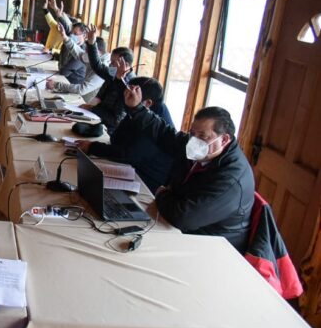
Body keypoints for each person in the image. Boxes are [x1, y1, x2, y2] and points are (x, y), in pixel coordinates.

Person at [123, 86, 255, 252]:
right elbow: (165, 135)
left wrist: (162, 194)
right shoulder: (201, 149)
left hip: (209, 246)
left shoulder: (232, 179)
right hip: (179, 226)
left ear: (224, 139)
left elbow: (184, 218)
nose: (194, 141)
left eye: (202, 136)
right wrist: (137, 108)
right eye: (192, 134)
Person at [76, 77, 176, 193]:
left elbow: (126, 154)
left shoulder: (155, 123)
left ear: (147, 103)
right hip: (130, 171)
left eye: (131, 96)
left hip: (147, 186)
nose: (126, 99)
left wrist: (92, 147)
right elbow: (115, 139)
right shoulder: (137, 112)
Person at [81, 24, 135, 132]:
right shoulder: (114, 73)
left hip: (110, 131)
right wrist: (92, 43)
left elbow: (116, 120)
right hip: (97, 119)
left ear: (126, 65)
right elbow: (97, 66)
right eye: (111, 62)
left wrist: (92, 109)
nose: (110, 65)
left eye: (113, 63)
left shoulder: (130, 87)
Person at [47, 36, 107, 102]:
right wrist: (65, 38)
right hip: (83, 96)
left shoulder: (103, 68)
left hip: (89, 101)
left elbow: (82, 90)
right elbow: (78, 52)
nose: (85, 53)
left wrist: (56, 85)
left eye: (87, 51)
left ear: (96, 52)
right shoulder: (93, 58)